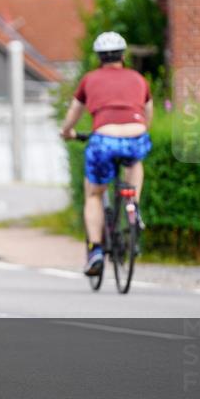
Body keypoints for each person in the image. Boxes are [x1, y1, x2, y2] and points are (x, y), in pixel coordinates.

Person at [58, 32, 153, 276]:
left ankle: (96, 252)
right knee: (134, 161)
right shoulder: (138, 79)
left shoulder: (89, 80)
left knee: (94, 193)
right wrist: (138, 131)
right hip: (135, 134)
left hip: (104, 139)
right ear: (123, 56)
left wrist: (67, 131)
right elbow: (148, 113)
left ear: (99, 57)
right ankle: (134, 205)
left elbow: (74, 112)